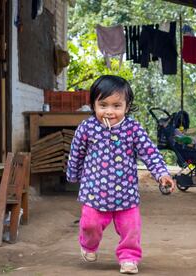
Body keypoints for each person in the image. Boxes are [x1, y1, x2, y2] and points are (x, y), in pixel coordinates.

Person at [66, 75, 175, 274]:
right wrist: (73, 175)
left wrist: (162, 173)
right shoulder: (87, 128)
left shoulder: (133, 129)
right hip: (94, 193)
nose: (109, 111)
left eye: (117, 106)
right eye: (103, 105)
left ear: (127, 106)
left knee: (131, 230)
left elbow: (149, 152)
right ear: (93, 105)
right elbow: (77, 153)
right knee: (89, 224)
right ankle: (88, 246)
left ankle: (129, 258)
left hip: (126, 195)